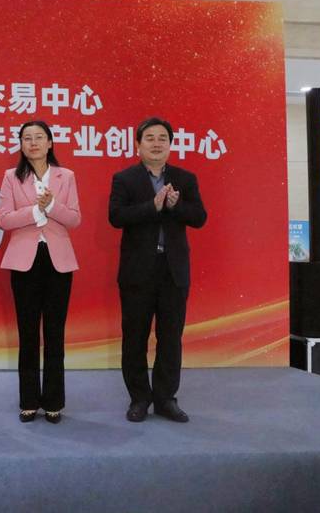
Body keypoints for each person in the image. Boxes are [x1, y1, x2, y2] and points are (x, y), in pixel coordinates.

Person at [108, 117, 207, 423]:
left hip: (173, 271)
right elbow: (116, 216)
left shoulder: (185, 178)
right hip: (137, 272)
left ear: (170, 144)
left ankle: (166, 399)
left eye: (162, 138)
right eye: (149, 138)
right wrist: (152, 206)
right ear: (138, 145)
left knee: (170, 338)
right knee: (134, 338)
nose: (156, 143)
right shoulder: (124, 179)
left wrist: (176, 206)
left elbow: (199, 217)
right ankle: (140, 398)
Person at [0, 121, 81, 424]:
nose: (33, 143)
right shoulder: (11, 176)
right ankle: (29, 401)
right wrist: (36, 210)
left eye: (39, 137)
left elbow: (74, 219)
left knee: (55, 334)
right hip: (25, 262)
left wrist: (53, 206)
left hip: (58, 262)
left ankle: (54, 401)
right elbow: (4, 219)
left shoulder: (66, 176)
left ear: (50, 143)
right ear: (21, 144)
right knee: (28, 333)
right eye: (27, 138)